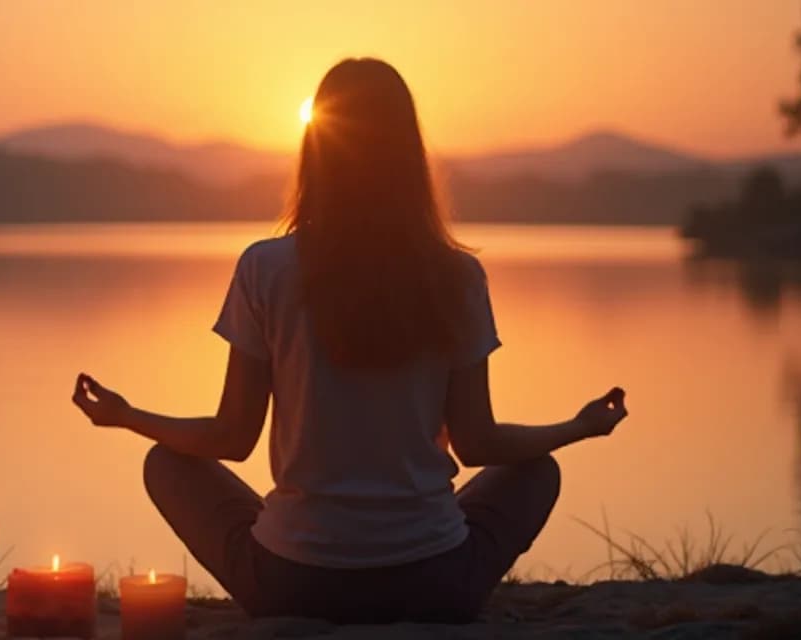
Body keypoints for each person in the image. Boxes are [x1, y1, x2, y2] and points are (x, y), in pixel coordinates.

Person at [70, 58, 629, 624]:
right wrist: (579, 427)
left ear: (317, 150)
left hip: (290, 587)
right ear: (409, 154)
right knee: (537, 471)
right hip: (436, 587)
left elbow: (231, 437)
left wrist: (127, 415)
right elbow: (478, 443)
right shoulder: (457, 277)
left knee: (166, 465)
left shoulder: (266, 268)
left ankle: (309, 539)